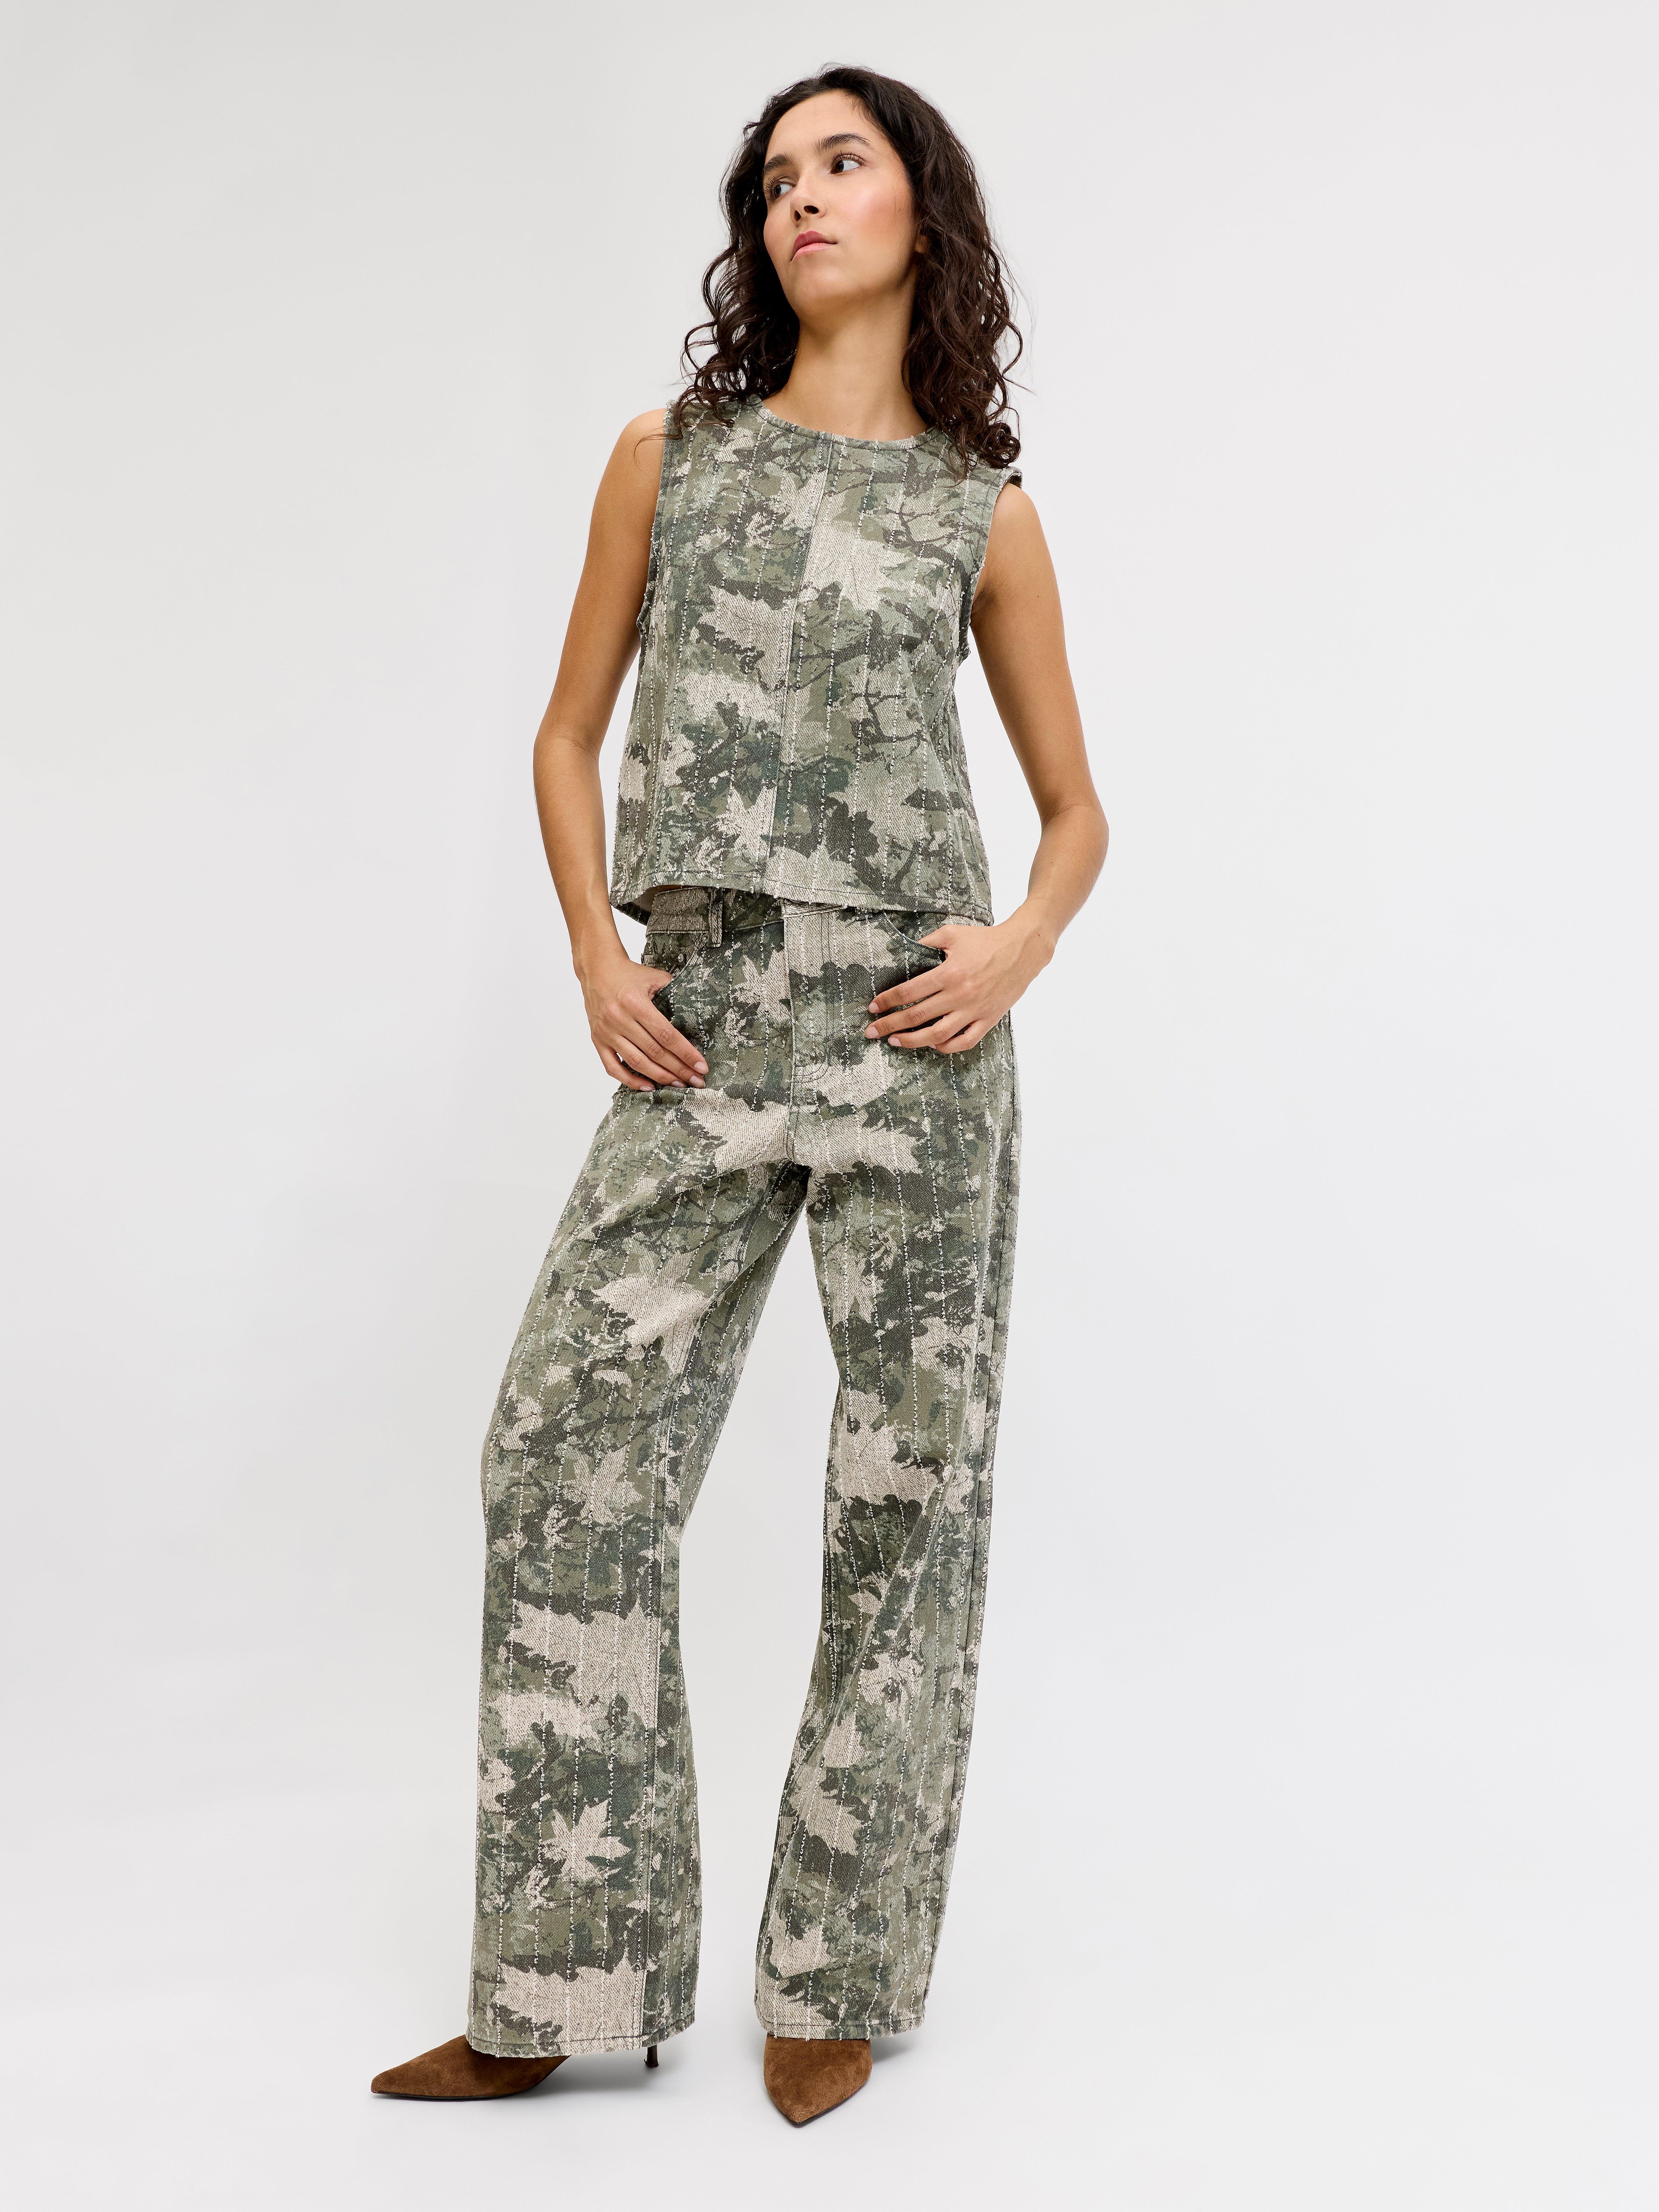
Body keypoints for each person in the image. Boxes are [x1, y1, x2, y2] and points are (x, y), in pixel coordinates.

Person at [371, 63, 1107, 2126]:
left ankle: (838, 1975)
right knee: (561, 1462)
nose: (803, 197)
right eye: (777, 176)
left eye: (843, 163)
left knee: (907, 1499)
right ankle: (561, 1984)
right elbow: (563, 732)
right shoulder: (669, 457)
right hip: (699, 1031)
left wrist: (1018, 947)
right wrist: (599, 955)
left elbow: (1078, 814)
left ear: (921, 210)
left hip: (915, 1039)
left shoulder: (982, 508)